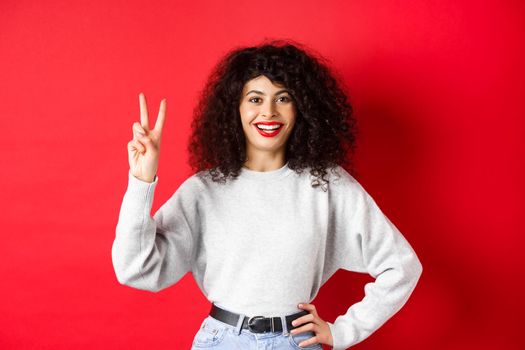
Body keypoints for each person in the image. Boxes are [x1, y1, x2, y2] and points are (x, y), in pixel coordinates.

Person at [111, 39, 423, 350]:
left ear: (301, 107)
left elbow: (401, 266)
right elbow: (136, 270)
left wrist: (343, 331)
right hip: (221, 342)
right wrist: (141, 179)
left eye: (283, 98)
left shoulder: (326, 184)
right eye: (255, 99)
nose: (269, 112)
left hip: (297, 341)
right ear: (236, 107)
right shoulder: (203, 191)